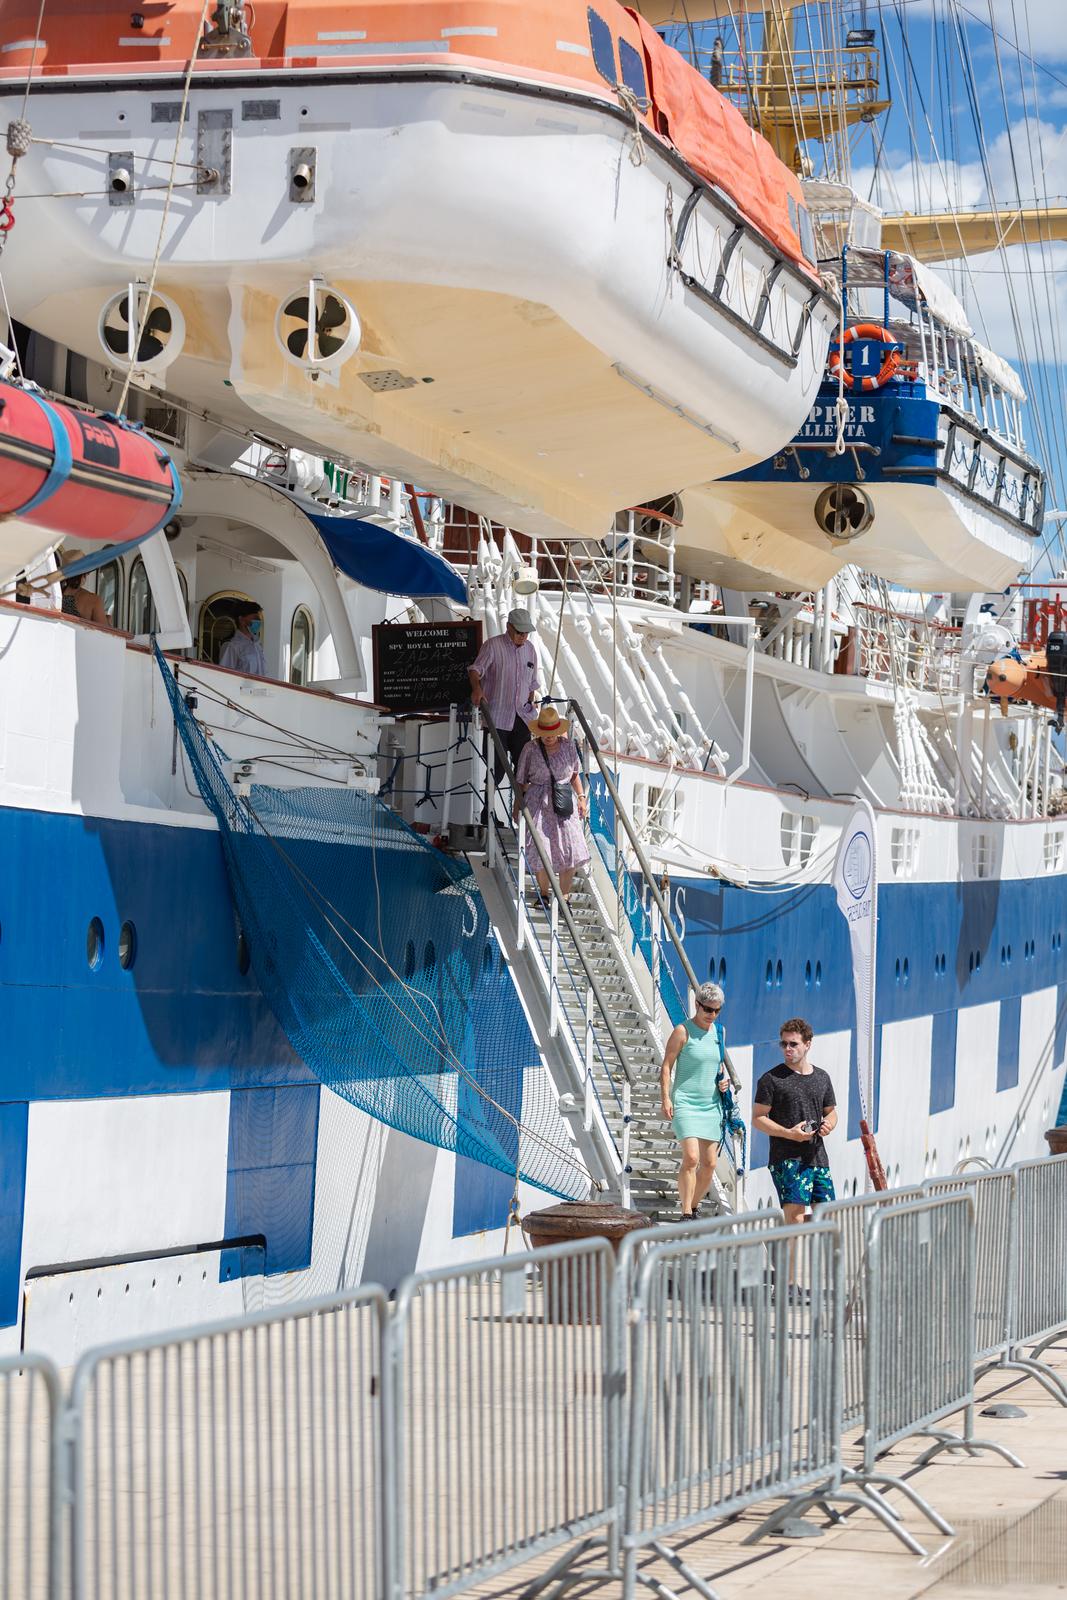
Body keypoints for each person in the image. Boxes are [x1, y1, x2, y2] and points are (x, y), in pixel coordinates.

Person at [752, 1017, 838, 1263]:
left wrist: (829, 1124)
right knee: (795, 1218)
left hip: (817, 1157)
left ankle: (822, 1271)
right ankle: (790, 1280)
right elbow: (758, 1118)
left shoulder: (822, 1077)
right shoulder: (771, 1079)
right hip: (787, 1159)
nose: (787, 1049)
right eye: (784, 1044)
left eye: (793, 1044)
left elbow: (831, 1112)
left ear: (808, 1044)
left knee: (828, 1216)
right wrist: (790, 1133)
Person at [659, 982, 730, 1219]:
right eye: (708, 1009)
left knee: (710, 1164)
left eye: (717, 1010)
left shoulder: (719, 1032)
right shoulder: (682, 1031)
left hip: (711, 1104)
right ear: (697, 1005)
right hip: (686, 1102)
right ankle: (686, 1213)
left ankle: (694, 1204)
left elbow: (717, 1065)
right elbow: (666, 1066)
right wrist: (666, 1098)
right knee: (691, 1158)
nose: (712, 1015)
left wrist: (723, 1082)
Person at [469, 607, 539, 820]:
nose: (523, 636)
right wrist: (477, 689)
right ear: (509, 627)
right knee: (496, 768)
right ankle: (487, 813)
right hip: (497, 717)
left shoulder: (530, 650)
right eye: (519, 632)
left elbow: (532, 683)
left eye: (526, 632)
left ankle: (522, 815)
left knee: (524, 768)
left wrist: (531, 700)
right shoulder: (493, 645)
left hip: (522, 718)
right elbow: (475, 670)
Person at [512, 703, 589, 899]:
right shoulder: (530, 749)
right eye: (545, 732)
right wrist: (516, 806)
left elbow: (574, 775)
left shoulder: (568, 747)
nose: (549, 736)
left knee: (570, 849)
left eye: (552, 732)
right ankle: (544, 894)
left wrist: (581, 797)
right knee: (541, 849)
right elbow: (521, 780)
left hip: (563, 803)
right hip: (538, 803)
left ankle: (564, 897)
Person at [58, 548, 111, 627]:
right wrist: (108, 621)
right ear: (83, 574)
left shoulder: (56, 595)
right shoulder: (93, 600)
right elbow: (105, 631)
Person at [219, 600, 267, 676]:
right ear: (241, 620)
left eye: (259, 618)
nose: (259, 621)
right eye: (255, 618)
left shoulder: (257, 643)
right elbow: (225, 676)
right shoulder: (231, 645)